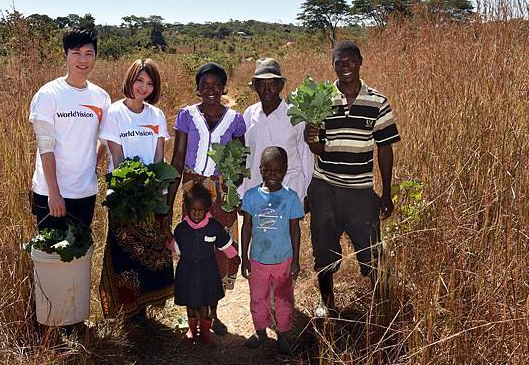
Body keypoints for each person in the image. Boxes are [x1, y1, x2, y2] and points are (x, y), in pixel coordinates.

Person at [303, 40, 401, 316]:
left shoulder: (378, 101)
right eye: (339, 62)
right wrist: (311, 141)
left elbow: (385, 148)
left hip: (360, 190)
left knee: (372, 249)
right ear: (332, 65)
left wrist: (385, 192)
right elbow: (320, 148)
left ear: (360, 62)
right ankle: (327, 302)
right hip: (325, 187)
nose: (345, 66)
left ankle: (382, 305)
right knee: (323, 248)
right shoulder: (321, 100)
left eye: (350, 61)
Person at [168, 62, 246, 335]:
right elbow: (177, 158)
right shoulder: (186, 116)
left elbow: (238, 160)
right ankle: (194, 310)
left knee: (219, 248)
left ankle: (212, 311)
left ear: (224, 88)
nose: (210, 90)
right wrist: (169, 199)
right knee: (194, 249)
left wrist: (233, 189)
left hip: (221, 190)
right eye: (205, 85)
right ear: (197, 88)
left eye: (216, 85)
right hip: (193, 188)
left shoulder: (235, 120)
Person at [98, 59, 174, 320]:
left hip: (151, 194)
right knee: (124, 251)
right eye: (139, 80)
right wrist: (131, 188)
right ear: (130, 80)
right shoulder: (114, 113)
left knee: (151, 249)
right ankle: (126, 310)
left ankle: (145, 306)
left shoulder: (156, 115)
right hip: (124, 194)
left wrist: (157, 191)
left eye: (150, 83)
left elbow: (158, 156)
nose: (144, 87)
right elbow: (117, 158)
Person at [29, 27, 110, 232]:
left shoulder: (101, 97)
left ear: (95, 57)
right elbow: (45, 146)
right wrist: (54, 193)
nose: (82, 60)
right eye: (76, 53)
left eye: (88, 54)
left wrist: (92, 164)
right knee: (51, 256)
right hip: (50, 193)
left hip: (84, 191)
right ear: (65, 55)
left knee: (78, 255)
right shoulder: (48, 94)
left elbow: (105, 137)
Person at [240, 146, 304, 354]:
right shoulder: (251, 196)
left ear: (285, 170)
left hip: (283, 260)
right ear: (261, 170)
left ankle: (283, 333)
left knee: (284, 298)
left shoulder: (291, 197)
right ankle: (260, 332)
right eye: (268, 170)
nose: (273, 175)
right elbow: (246, 227)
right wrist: (244, 257)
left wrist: (295, 259)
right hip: (258, 259)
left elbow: (295, 230)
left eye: (278, 171)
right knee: (258, 298)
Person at [169, 182, 239, 346]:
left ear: (207, 208)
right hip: (188, 271)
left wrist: (234, 257)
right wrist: (169, 240)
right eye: (193, 209)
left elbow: (224, 243)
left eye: (200, 210)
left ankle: (206, 333)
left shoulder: (213, 226)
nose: (196, 213)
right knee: (191, 303)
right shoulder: (182, 228)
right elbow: (177, 249)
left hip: (208, 271)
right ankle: (192, 330)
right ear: (186, 208)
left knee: (206, 303)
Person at [239, 58, 313, 204]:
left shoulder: (295, 115)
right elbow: (245, 158)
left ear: (281, 86)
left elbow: (305, 157)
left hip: (288, 193)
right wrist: (241, 194)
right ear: (256, 87)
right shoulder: (249, 114)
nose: (267, 90)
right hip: (255, 193)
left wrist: (306, 194)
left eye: (272, 84)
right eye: (261, 85)